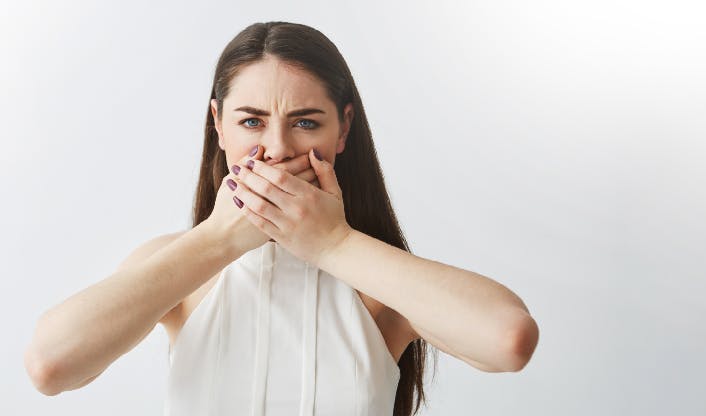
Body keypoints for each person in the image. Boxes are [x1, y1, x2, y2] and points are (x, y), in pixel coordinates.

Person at [24, 21, 539, 415]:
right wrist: (218, 242)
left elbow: (509, 339)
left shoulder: (381, 282)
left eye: (305, 123)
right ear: (219, 127)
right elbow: (50, 366)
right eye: (251, 121)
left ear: (343, 130)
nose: (275, 149)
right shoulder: (175, 265)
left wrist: (333, 244)